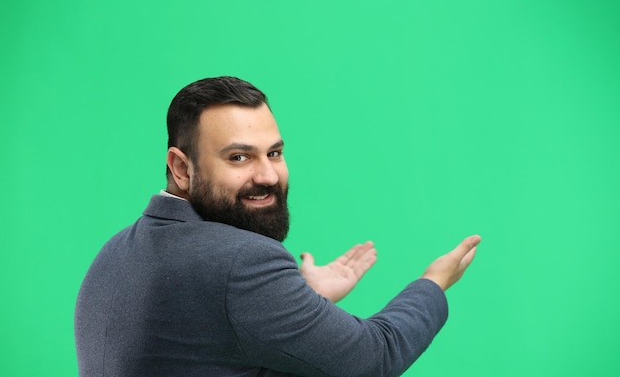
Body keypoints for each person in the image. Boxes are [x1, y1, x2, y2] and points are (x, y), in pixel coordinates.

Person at [74, 76, 480, 377]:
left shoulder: (113, 252)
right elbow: (372, 357)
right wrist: (432, 284)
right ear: (181, 167)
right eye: (239, 158)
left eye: (275, 152)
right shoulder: (242, 261)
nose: (268, 175)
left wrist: (301, 297)